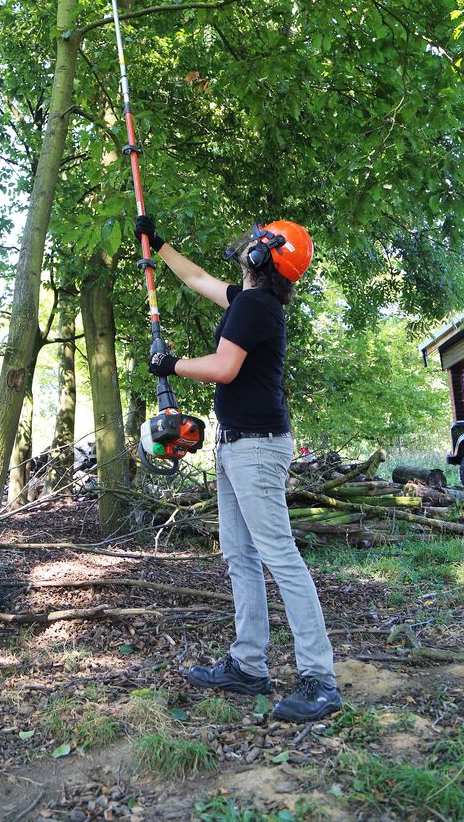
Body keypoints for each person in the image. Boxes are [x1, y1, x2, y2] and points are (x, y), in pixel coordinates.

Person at [135, 215, 341, 724]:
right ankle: (249, 666)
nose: (248, 242)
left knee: (279, 557)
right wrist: (159, 246)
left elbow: (224, 368)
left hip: (256, 447)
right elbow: (200, 279)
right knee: (240, 556)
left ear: (262, 256)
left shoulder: (255, 306)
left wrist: (172, 365)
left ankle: (320, 678)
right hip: (236, 445)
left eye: (257, 239)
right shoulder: (250, 302)